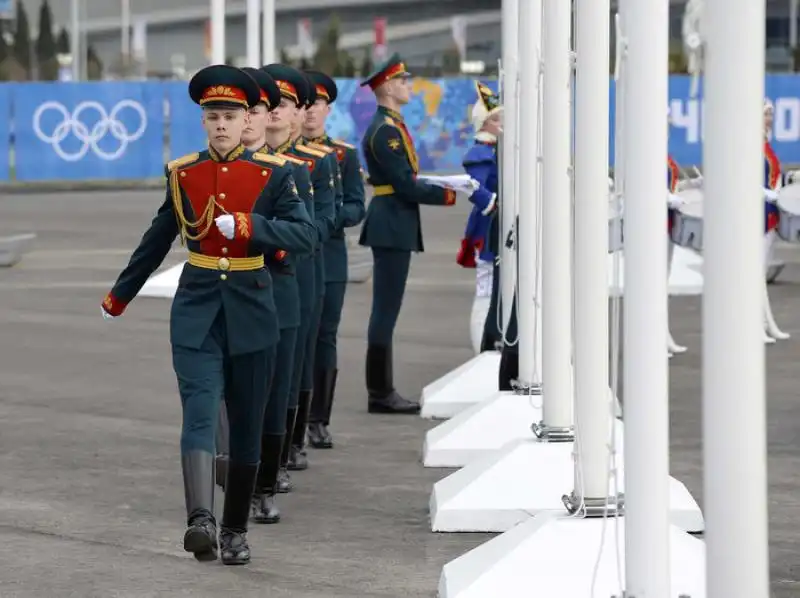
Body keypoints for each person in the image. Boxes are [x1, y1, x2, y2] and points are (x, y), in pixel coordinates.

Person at [100, 65, 315, 564]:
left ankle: (235, 528)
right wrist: (121, 294)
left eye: (230, 116)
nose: (221, 124)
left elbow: (304, 236)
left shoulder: (276, 174)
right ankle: (200, 519)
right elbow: (156, 239)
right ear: (204, 122)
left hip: (253, 308)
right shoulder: (184, 174)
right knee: (199, 412)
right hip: (197, 308)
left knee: (245, 425)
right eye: (213, 116)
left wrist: (248, 225)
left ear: (247, 122)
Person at [214, 66, 315, 524]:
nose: (252, 120)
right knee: (224, 395)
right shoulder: (214, 170)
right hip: (225, 295)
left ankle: (262, 485)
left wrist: (259, 235)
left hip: (276, 291)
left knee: (271, 398)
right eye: (245, 112)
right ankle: (230, 475)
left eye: (257, 111)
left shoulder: (285, 173)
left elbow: (305, 233)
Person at [359, 53, 473, 413]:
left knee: (387, 309)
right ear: (389, 87)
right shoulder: (386, 131)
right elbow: (405, 186)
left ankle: (382, 390)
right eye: (404, 81)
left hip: (393, 221)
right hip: (391, 223)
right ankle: (380, 392)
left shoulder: (389, 125)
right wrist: (449, 193)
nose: (409, 86)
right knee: (385, 311)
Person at [261, 63, 337, 486]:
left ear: (297, 113)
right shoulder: (252, 162)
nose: (275, 111)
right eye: (269, 103)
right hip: (254, 272)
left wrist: (287, 238)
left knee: (295, 360)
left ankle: (288, 444)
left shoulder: (314, 163)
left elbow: (323, 219)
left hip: (300, 270)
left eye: (285, 103)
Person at [301, 70, 366, 449]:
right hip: (293, 256)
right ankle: (294, 418)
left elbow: (357, 206)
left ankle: (318, 418)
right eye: (304, 105)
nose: (310, 112)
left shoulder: (342, 155)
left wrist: (329, 217)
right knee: (298, 338)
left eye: (317, 105)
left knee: (324, 336)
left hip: (330, 254)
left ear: (328, 109)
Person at [459, 82, 501, 355]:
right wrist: (493, 203)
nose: (502, 124)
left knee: (493, 289)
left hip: (494, 224)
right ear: (484, 123)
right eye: (497, 118)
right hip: (487, 226)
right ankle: (480, 351)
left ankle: (489, 346)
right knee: (485, 290)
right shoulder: (480, 154)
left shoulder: (492, 151)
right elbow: (474, 188)